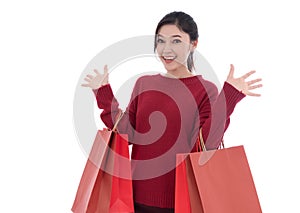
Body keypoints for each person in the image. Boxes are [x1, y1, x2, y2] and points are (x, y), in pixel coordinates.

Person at [82, 11, 262, 213]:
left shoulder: (206, 90)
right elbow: (128, 134)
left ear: (194, 44)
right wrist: (104, 93)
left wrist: (228, 97)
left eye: (176, 41)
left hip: (183, 202)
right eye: (161, 41)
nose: (166, 49)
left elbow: (204, 146)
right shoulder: (144, 83)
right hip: (134, 198)